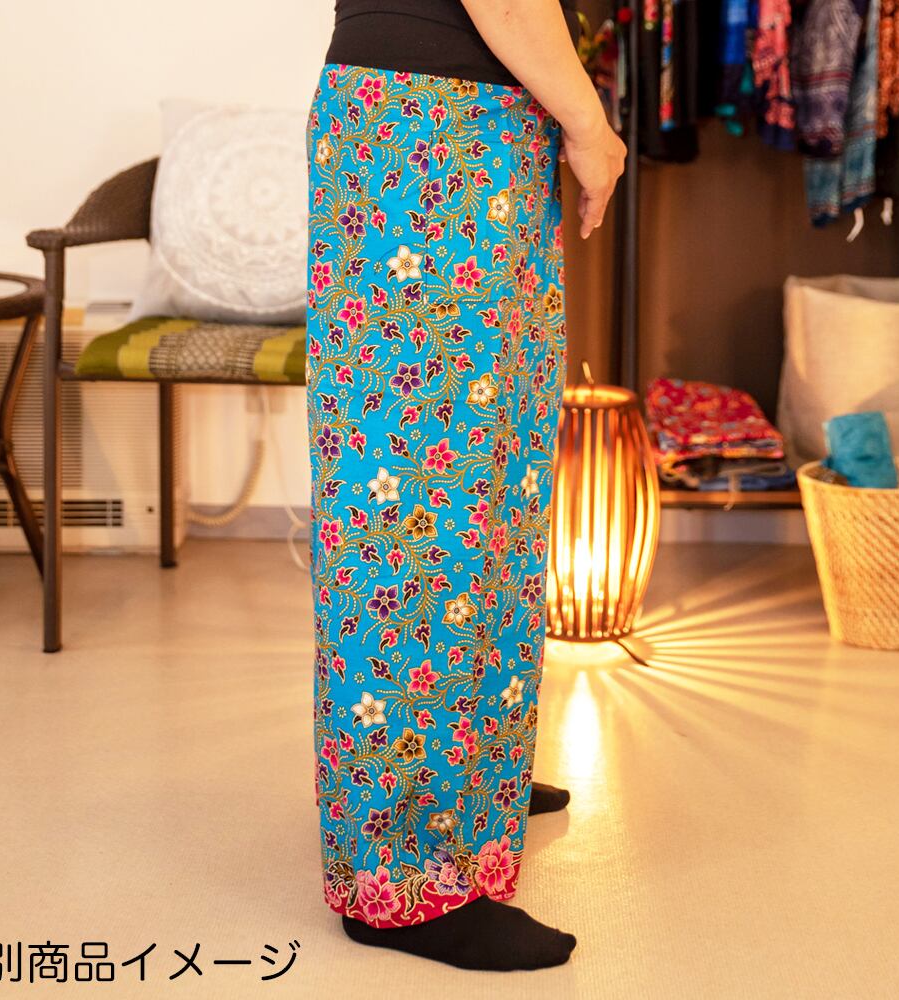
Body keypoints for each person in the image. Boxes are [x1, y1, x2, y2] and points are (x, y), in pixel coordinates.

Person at [304, 0, 625, 972]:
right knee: (416, 509)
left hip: (463, 127)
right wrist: (590, 126)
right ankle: (401, 877)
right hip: (432, 130)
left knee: (490, 483)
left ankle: (471, 774)